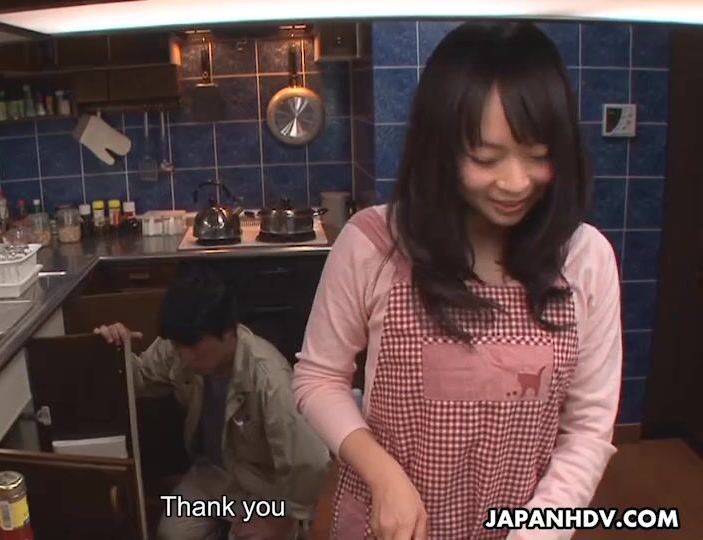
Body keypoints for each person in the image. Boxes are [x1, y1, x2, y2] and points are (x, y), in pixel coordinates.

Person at [293, 22, 622, 540]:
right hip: (388, 525)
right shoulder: (373, 244)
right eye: (486, 159)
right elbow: (318, 379)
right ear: (441, 149)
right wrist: (383, 476)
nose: (516, 182)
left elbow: (587, 429)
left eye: (539, 156)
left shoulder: (586, 259)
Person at [95, 263, 330, 540]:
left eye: (193, 347)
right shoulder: (180, 345)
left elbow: (311, 463)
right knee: (171, 535)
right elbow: (138, 379)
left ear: (229, 332)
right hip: (212, 475)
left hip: (263, 487)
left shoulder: (270, 380)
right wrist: (114, 350)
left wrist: (285, 519)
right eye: (178, 346)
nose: (184, 357)